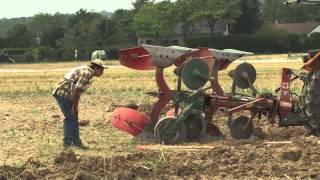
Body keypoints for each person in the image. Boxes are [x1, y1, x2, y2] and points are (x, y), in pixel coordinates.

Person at [52, 59, 107, 149]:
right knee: (70, 117)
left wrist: (74, 107)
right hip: (63, 93)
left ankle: (76, 142)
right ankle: (69, 142)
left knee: (73, 117)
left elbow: (76, 90)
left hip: (64, 93)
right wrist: (74, 107)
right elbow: (76, 91)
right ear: (97, 68)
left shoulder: (85, 69)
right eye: (102, 70)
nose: (102, 72)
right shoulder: (87, 73)